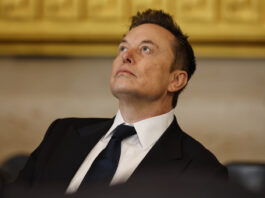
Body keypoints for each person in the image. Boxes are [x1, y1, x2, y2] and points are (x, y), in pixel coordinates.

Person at [11, 9, 227, 194]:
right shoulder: (61, 133)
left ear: (176, 80)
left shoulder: (202, 170)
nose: (126, 56)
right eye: (123, 48)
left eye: (145, 49)